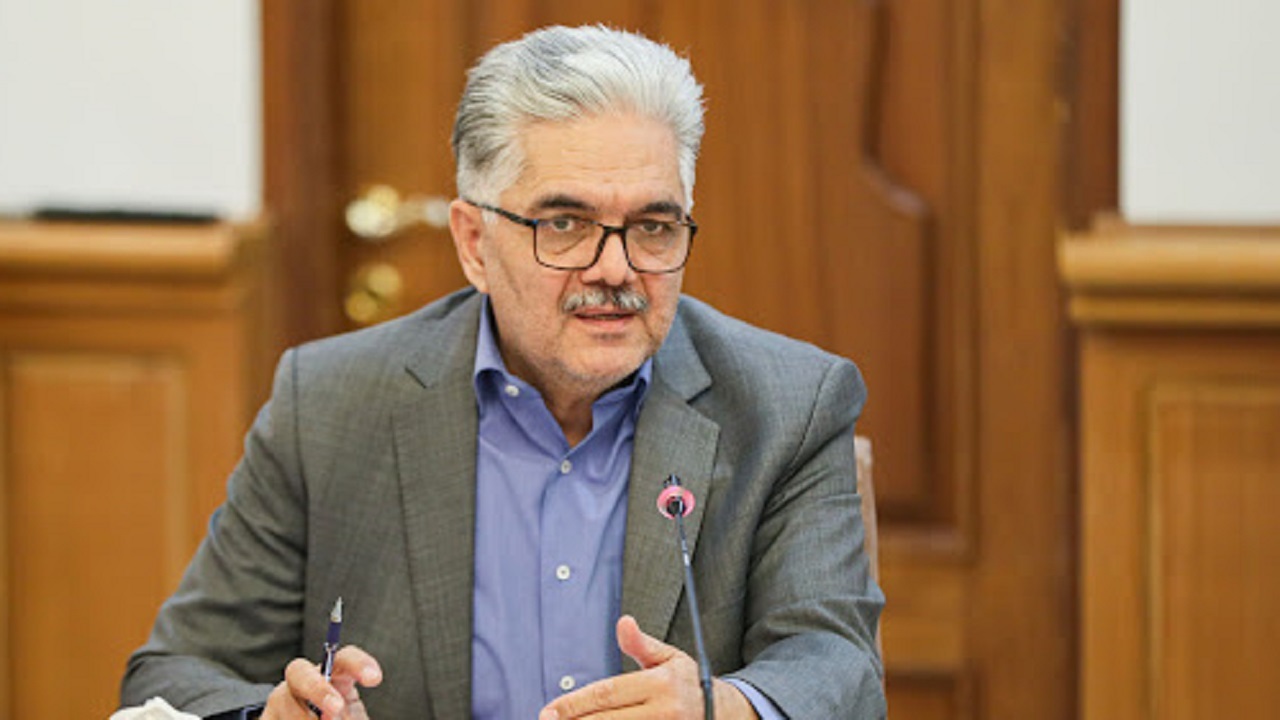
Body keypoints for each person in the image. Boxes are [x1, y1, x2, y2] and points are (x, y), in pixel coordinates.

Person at [121, 24, 884, 720]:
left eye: (653, 227)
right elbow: (174, 677)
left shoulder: (789, 405)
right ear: (474, 243)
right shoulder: (328, 405)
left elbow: (839, 670)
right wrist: (269, 717)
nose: (615, 269)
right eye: (565, 224)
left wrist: (727, 711)